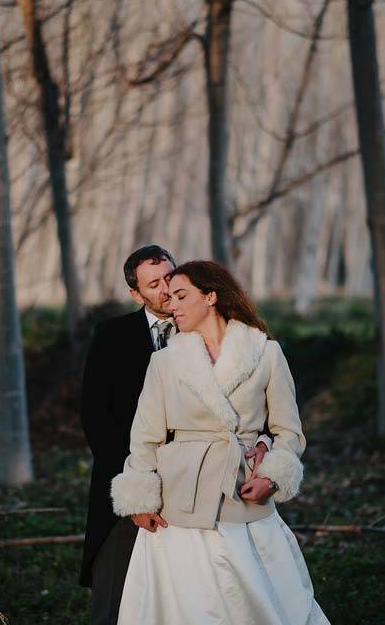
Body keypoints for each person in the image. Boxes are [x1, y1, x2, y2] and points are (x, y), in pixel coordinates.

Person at [111, 260, 329, 624]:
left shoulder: (266, 353)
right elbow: (144, 437)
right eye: (169, 297)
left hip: (244, 492)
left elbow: (289, 431)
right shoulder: (164, 362)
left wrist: (272, 477)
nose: (172, 304)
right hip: (179, 501)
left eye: (181, 296)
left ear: (211, 296)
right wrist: (139, 497)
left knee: (264, 602)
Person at [80, 247, 269, 624]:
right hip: (135, 474)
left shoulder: (216, 331)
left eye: (170, 276)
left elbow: (249, 405)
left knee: (200, 590)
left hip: (204, 482)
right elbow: (97, 419)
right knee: (118, 590)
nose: (167, 289)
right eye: (154, 284)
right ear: (136, 294)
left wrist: (260, 447)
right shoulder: (112, 335)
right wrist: (141, 482)